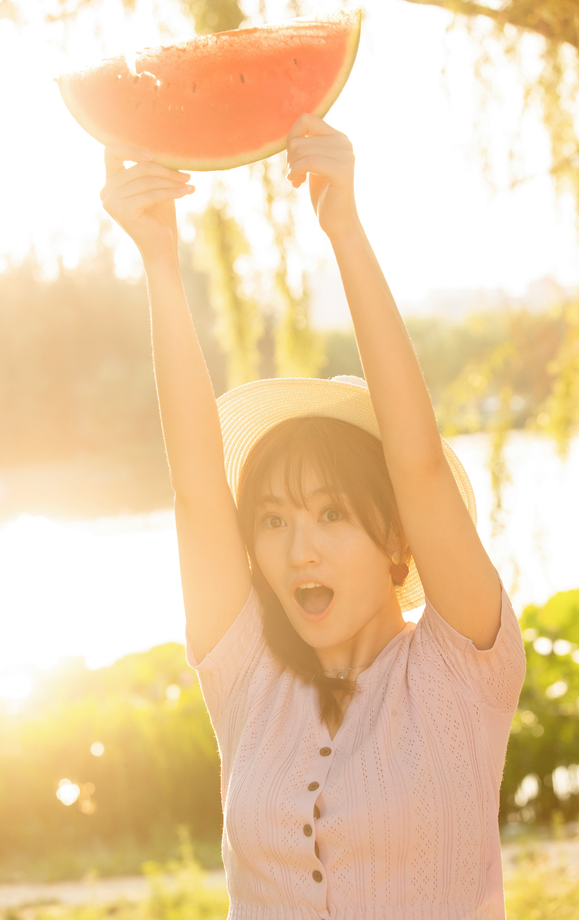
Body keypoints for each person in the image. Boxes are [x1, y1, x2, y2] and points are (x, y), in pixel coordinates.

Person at [100, 114, 526, 920]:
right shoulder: (247, 676)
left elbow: (419, 464)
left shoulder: (460, 670)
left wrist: (345, 230)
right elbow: (196, 484)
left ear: (397, 537)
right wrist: (159, 256)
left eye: (331, 513)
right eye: (270, 519)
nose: (298, 549)